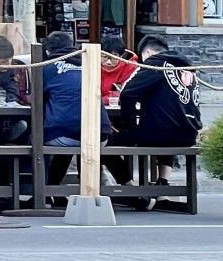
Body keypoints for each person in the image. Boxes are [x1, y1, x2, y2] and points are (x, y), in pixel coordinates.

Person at [117, 35, 203, 189]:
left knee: (101, 143)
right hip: (189, 134)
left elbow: (127, 94)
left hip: (159, 134)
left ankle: (128, 187)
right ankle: (162, 181)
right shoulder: (189, 69)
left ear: (148, 52)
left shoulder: (154, 64)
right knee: (166, 123)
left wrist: (130, 127)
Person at [40, 30, 110, 188]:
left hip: (67, 135)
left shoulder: (47, 68)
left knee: (38, 137)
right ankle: (55, 189)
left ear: (47, 51)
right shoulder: (90, 63)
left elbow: (38, 100)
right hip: (101, 134)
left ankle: (43, 190)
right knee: (71, 133)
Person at [100, 29, 140, 102]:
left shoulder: (131, 68)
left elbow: (127, 92)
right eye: (104, 56)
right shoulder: (92, 66)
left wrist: (102, 101)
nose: (108, 62)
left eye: (113, 58)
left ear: (121, 56)